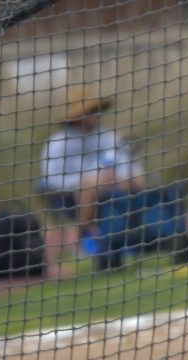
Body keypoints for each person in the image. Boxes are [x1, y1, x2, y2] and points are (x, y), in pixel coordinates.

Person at [40, 85, 145, 271]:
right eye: (90, 111)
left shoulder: (107, 137)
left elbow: (127, 164)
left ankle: (137, 234)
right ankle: (82, 237)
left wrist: (117, 177)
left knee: (137, 178)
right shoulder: (57, 143)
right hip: (70, 197)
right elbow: (52, 180)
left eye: (96, 110)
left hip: (113, 188)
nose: (95, 115)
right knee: (90, 183)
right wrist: (88, 180)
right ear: (77, 116)